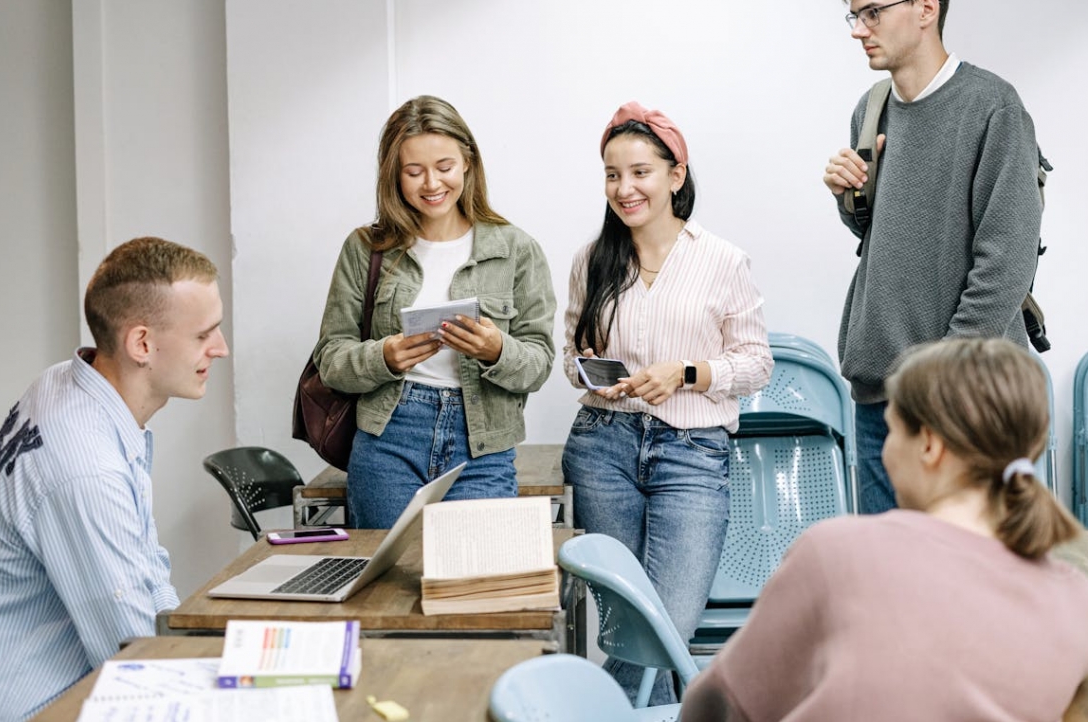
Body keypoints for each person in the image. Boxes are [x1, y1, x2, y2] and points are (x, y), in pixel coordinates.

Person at [681, 338, 1088, 722]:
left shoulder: (839, 551)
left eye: (892, 431)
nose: (885, 451)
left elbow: (718, 706)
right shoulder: (1075, 597)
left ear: (929, 445)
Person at [561, 101, 773, 705]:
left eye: (639, 172)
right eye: (611, 174)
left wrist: (687, 372)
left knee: (663, 630)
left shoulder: (723, 260)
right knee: (626, 628)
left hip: (693, 455)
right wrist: (592, 375)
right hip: (602, 449)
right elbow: (569, 358)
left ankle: (588, 710)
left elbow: (756, 363)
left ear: (675, 175)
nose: (624, 189)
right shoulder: (592, 260)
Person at [0, 237, 229, 720]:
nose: (221, 349)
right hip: (44, 702)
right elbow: (134, 659)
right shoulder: (85, 469)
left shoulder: (68, 381)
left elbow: (145, 571)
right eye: (205, 334)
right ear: (142, 343)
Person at [822, 0, 1043, 514]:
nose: (858, 30)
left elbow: (1006, 265)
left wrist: (939, 381)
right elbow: (881, 234)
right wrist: (847, 195)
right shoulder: (870, 108)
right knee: (890, 582)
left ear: (924, 9)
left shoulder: (994, 107)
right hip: (881, 398)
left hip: (965, 401)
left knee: (974, 583)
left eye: (872, 12)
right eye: (853, 15)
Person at [314, 95, 556, 529]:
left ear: (467, 162)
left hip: (483, 444)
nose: (431, 184)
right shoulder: (365, 250)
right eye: (413, 171)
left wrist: (497, 350)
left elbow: (539, 364)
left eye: (444, 167)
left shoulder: (516, 250)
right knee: (385, 588)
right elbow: (331, 359)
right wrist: (384, 357)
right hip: (389, 438)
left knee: (473, 585)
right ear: (394, 175)